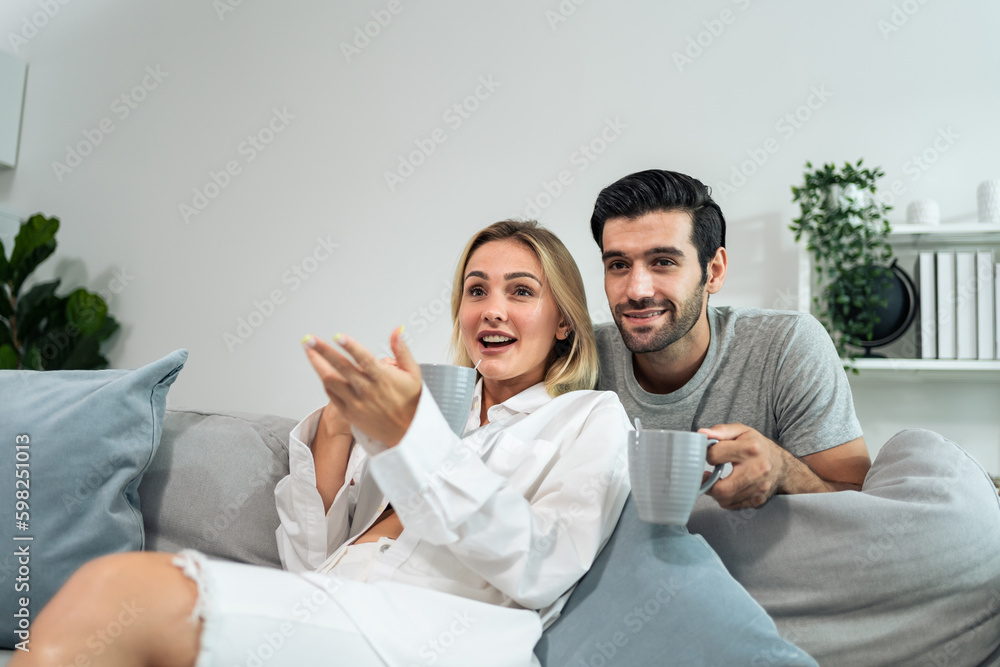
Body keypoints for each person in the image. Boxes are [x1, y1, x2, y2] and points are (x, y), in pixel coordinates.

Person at [13, 220, 631, 667]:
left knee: (116, 592)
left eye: (521, 291)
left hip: (443, 636)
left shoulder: (588, 418)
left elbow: (542, 566)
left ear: (564, 322)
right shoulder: (434, 410)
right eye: (477, 290)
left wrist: (410, 439)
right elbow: (312, 564)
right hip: (338, 607)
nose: (491, 311)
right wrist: (337, 430)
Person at [589, 168, 871, 510]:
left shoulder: (786, 345)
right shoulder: (582, 357)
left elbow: (860, 506)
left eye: (663, 262)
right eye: (618, 265)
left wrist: (785, 472)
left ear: (714, 271)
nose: (636, 291)